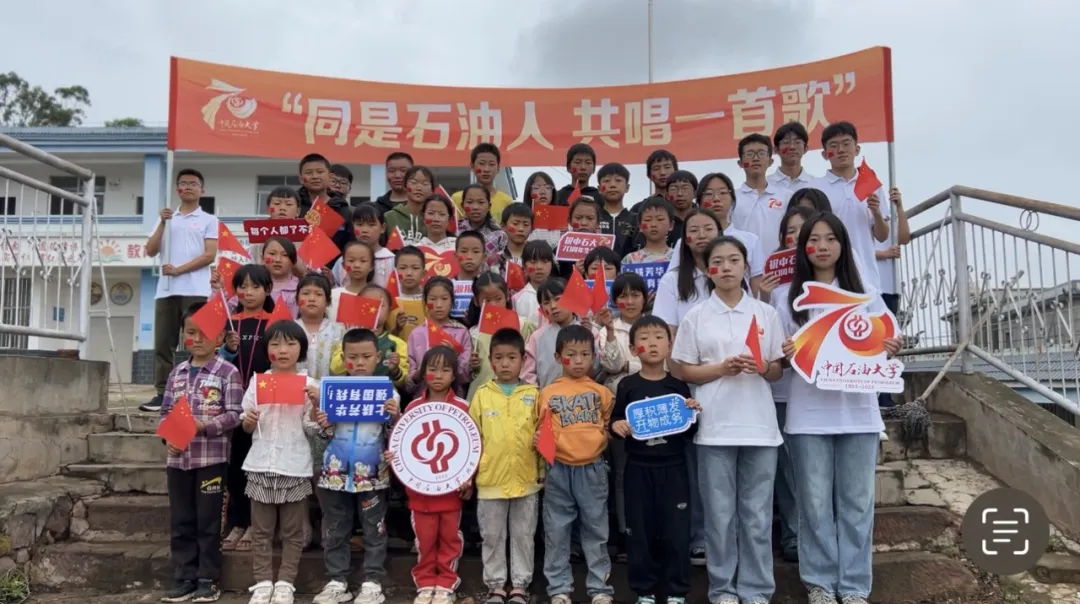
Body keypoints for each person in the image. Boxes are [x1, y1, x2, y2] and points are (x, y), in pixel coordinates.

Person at [779, 213, 901, 604]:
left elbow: (887, 337)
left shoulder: (866, 293)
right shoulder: (788, 298)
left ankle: (853, 586)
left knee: (857, 503)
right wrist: (785, 354)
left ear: (844, 245)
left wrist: (889, 346)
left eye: (831, 238)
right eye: (814, 239)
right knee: (814, 504)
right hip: (808, 416)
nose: (823, 246)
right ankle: (819, 583)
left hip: (859, 414)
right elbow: (779, 359)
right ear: (803, 247)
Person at [672, 236, 785, 604]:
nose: (725, 267)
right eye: (717, 261)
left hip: (760, 427)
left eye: (734, 260)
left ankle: (757, 589)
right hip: (714, 427)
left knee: (757, 515)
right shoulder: (696, 316)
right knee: (719, 516)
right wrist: (721, 368)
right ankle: (722, 589)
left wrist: (761, 366)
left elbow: (777, 370)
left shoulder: (766, 313)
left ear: (745, 267)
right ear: (707, 270)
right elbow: (685, 370)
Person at [610, 315, 699, 604]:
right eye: (644, 338)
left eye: (659, 337)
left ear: (669, 345)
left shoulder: (678, 387)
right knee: (639, 531)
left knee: (676, 531)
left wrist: (692, 412)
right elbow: (616, 421)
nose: (652, 343)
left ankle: (676, 591)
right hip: (638, 468)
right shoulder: (627, 385)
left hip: (673, 468)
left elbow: (690, 432)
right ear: (633, 348)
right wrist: (616, 426)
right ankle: (644, 590)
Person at [650, 207, 721, 566]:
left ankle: (728, 536)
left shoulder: (730, 271)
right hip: (688, 382)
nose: (702, 234)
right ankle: (700, 536)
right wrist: (682, 374)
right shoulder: (673, 280)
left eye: (709, 228)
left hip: (732, 382)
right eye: (695, 229)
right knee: (695, 466)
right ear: (685, 238)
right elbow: (668, 332)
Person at [159, 302, 243, 604]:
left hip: (211, 461)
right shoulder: (177, 372)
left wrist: (203, 426)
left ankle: (208, 579)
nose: (196, 339)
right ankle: (184, 577)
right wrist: (169, 437)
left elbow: (235, 415)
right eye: (190, 332)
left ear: (219, 338)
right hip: (178, 461)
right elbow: (166, 412)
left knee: (207, 521)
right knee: (181, 520)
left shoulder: (227, 372)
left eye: (204, 333)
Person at [238, 321, 327, 604]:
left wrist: (316, 405)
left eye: (290, 344)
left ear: (301, 348)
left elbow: (314, 428)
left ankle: (286, 582)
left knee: (293, 531)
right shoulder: (258, 382)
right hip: (261, 464)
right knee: (261, 530)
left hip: (294, 465)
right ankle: (263, 582)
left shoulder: (310, 385)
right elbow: (246, 424)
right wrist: (249, 420)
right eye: (275, 344)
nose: (283, 350)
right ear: (267, 350)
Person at [313, 328, 399, 604]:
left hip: (373, 474)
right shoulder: (332, 391)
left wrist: (395, 417)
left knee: (375, 528)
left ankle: (372, 581)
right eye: (352, 357)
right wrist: (323, 423)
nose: (359, 362)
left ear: (378, 357)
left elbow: (397, 435)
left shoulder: (389, 393)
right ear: (343, 358)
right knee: (336, 528)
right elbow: (318, 433)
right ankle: (337, 581)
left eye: (366, 356)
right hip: (334, 473)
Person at [386, 346, 473, 604]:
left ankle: (446, 582)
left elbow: (472, 447)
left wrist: (469, 478)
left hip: (451, 493)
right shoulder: (413, 407)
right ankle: (425, 583)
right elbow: (403, 443)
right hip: (420, 493)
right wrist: (393, 455)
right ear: (423, 373)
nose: (438, 375)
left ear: (454, 375)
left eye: (445, 370)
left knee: (449, 539)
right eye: (432, 369)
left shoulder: (463, 407)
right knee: (424, 540)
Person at [538, 325, 615, 604]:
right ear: (558, 358)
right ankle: (559, 588)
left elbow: (608, 425)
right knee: (557, 530)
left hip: (593, 468)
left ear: (594, 357)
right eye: (571, 354)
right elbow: (540, 429)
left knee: (596, 530)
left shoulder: (602, 392)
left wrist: (600, 438)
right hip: (558, 468)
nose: (579, 360)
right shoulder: (547, 393)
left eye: (585, 354)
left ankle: (600, 589)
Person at [468, 328, 542, 604]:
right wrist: (469, 475)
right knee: (492, 535)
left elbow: (542, 435)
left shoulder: (534, 394)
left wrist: (542, 471)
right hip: (490, 480)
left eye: (512, 357)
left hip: (526, 480)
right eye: (499, 358)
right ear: (490, 360)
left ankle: (520, 585)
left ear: (523, 359)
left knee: (524, 535)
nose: (505, 363)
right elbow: (471, 438)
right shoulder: (481, 395)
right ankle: (496, 585)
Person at [141, 168, 219, 413]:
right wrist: (163, 222)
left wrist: (179, 270)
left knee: (198, 341)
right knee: (164, 343)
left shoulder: (208, 220)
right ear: (177, 189)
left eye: (193, 183)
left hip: (197, 290)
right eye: (183, 183)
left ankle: (199, 389)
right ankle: (162, 393)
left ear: (202, 190)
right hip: (166, 291)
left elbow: (209, 255)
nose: (188, 187)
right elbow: (151, 250)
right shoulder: (167, 218)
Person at [763, 207, 816, 563]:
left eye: (805, 231)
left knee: (814, 469)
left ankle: (820, 535)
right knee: (788, 469)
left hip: (825, 393)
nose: (797, 237)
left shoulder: (837, 285)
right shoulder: (777, 292)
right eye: (791, 231)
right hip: (784, 391)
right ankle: (794, 535)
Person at [216, 264, 275, 554]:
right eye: (242, 287)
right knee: (236, 466)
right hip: (233, 404)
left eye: (255, 287)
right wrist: (229, 350)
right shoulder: (229, 323)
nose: (248, 292)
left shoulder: (275, 322)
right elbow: (218, 362)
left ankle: (256, 524)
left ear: (268, 290)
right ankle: (238, 523)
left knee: (259, 467)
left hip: (264, 404)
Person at [810, 121, 891, 290]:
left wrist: (876, 212)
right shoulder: (816, 188)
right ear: (825, 154)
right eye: (834, 146)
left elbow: (882, 236)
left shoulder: (870, 185)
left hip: (867, 277)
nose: (841, 150)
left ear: (857, 149)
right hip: (830, 278)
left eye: (846, 144)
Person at [522, 278, 619, 389]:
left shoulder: (590, 331)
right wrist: (538, 394)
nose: (553, 306)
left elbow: (598, 369)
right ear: (542, 308)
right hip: (548, 397)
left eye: (558, 299)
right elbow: (527, 375)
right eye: (546, 303)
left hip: (584, 395)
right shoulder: (537, 337)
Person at [465, 272, 536, 400]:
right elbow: (469, 374)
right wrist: (472, 365)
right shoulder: (474, 333)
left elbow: (531, 364)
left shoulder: (523, 326)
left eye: (498, 299)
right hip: (484, 398)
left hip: (517, 395)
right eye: (487, 300)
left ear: (507, 296)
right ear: (476, 301)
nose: (493, 305)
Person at [696, 173, 765, 293]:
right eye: (708, 193)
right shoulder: (689, 241)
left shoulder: (750, 240)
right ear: (699, 201)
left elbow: (756, 285)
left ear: (732, 199)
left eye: (723, 193)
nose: (716, 199)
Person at [406, 277, 472, 394]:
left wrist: (455, 356)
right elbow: (409, 386)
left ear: (452, 301)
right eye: (432, 299)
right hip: (423, 399)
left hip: (453, 398)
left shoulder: (461, 332)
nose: (439, 305)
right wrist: (421, 373)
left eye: (444, 298)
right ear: (425, 301)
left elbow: (465, 378)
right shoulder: (416, 334)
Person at [731, 134, 793, 254]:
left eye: (761, 153)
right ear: (740, 163)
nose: (755, 158)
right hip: (743, 262)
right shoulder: (732, 198)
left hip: (777, 261)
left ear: (770, 161)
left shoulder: (786, 197)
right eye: (749, 154)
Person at [452, 143, 514, 221]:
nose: (486, 169)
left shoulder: (507, 202)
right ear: (472, 166)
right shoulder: (457, 198)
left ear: (498, 168)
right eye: (481, 163)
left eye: (491, 164)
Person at [384, 166, 435, 246]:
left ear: (432, 190)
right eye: (414, 182)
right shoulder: (389, 217)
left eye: (425, 184)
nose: (419, 188)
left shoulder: (434, 219)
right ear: (404, 187)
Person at [596, 162, 639, 257]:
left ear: (627, 187)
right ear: (599, 189)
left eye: (618, 180)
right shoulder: (593, 218)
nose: (612, 185)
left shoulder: (636, 219)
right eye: (607, 181)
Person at [458, 184, 508, 259]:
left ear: (489, 206)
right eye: (469, 202)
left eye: (481, 202)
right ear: (462, 205)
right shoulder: (455, 231)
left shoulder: (499, 235)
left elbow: (504, 263)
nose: (475, 207)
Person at [513, 240, 555, 329]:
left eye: (544, 261)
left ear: (552, 263)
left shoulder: (561, 295)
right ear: (524, 265)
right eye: (533, 262)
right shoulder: (516, 299)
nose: (539, 267)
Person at [387, 246, 427, 341]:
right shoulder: (388, 300)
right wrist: (397, 329)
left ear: (423, 273)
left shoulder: (429, 299)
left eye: (415, 268)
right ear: (396, 271)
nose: (409, 273)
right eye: (403, 268)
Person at [622, 198, 675, 265]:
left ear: (671, 225)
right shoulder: (630, 260)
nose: (653, 224)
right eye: (648, 220)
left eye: (660, 219)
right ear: (640, 226)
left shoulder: (678, 257)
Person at [768, 122, 817, 191]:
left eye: (797, 142)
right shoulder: (766, 184)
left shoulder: (815, 185)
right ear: (776, 150)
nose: (792, 147)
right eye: (786, 142)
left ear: (805, 148)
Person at [330, 241, 375, 314]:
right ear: (343, 265)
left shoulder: (377, 296)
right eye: (351, 261)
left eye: (363, 261)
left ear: (372, 266)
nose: (357, 265)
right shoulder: (333, 295)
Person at [522, 172, 562, 251]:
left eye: (547, 187)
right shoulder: (521, 217)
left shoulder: (562, 219)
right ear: (529, 192)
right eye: (537, 188)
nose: (543, 192)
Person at [262, 237, 300, 318]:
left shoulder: (301, 288)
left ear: (294, 262)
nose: (278, 260)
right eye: (272, 253)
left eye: (285, 255)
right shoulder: (253, 287)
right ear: (262, 258)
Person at [373, 152, 414, 217]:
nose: (397, 175)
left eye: (403, 170)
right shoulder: (376, 208)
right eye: (392, 171)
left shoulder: (424, 205)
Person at [664, 171, 698, 247]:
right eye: (674, 189)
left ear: (695, 193)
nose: (680, 193)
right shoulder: (663, 222)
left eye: (685, 188)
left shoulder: (703, 219)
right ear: (667, 195)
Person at [500, 203, 535, 270]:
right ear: (503, 226)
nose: (521, 229)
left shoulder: (538, 256)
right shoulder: (495, 259)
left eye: (526, 224)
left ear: (532, 229)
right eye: (515, 223)